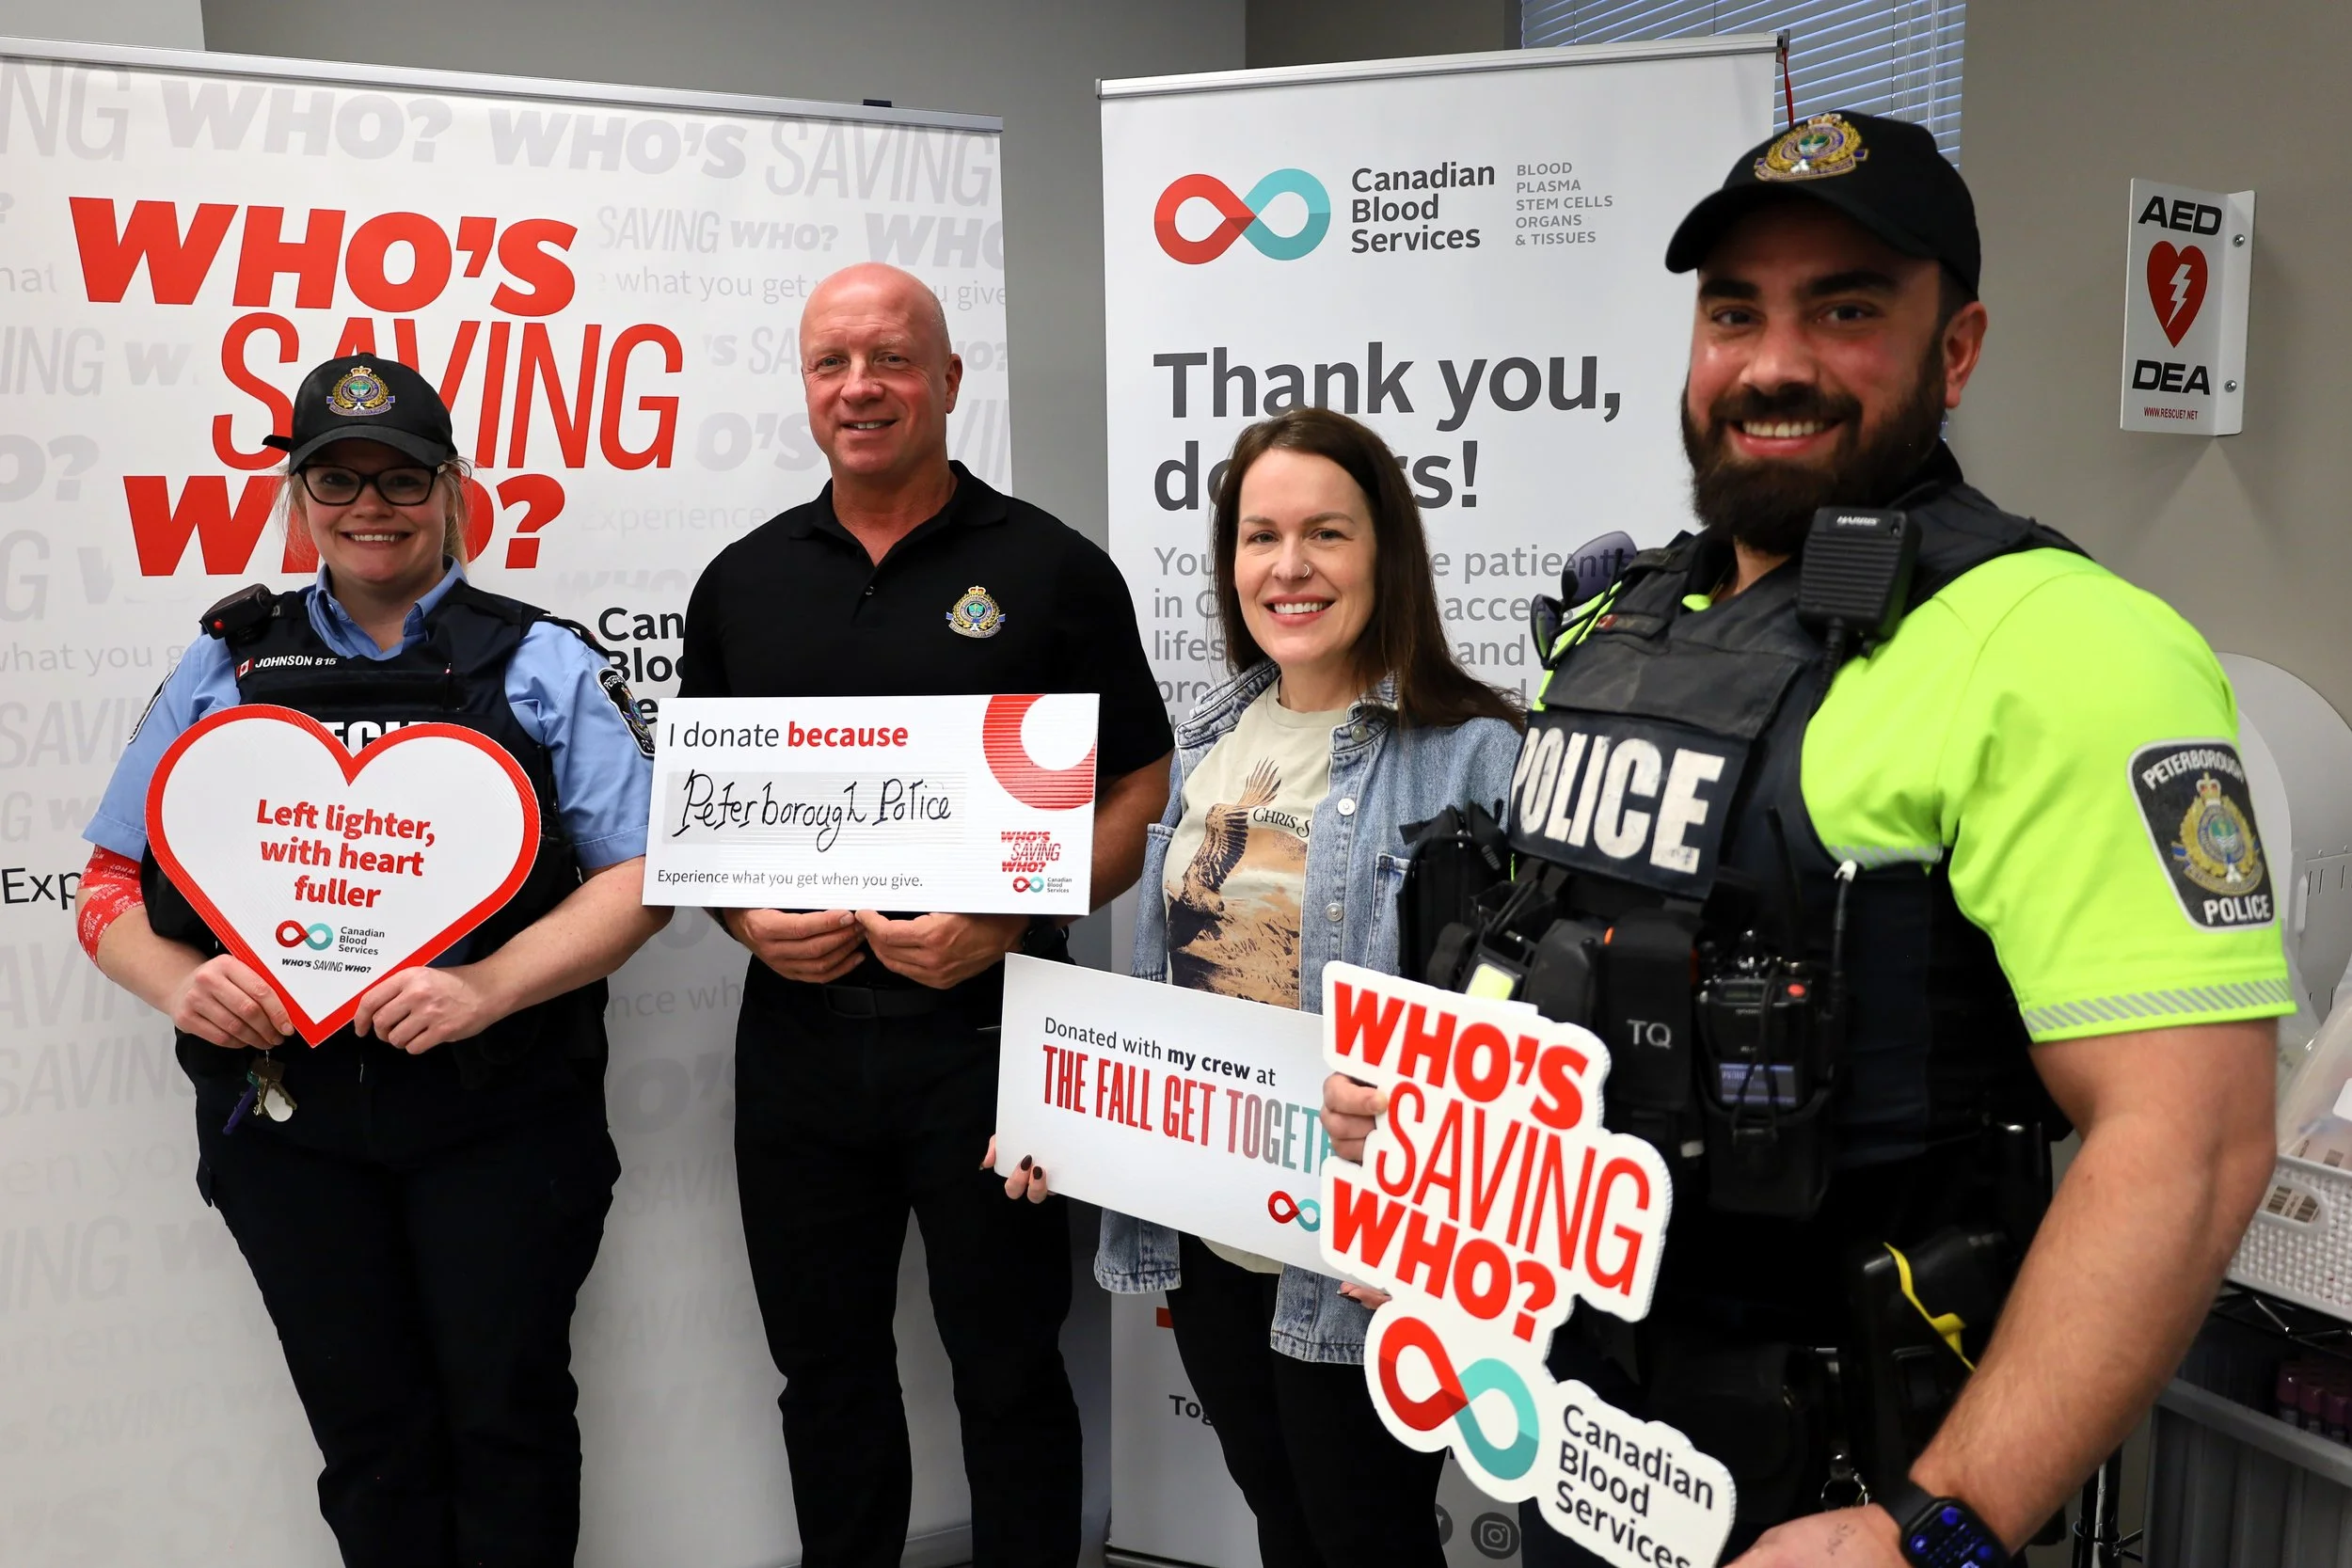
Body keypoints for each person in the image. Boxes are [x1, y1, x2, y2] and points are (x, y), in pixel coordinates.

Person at [1324, 112, 2287, 1568]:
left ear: (1954, 350)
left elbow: (2194, 1141)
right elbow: (1580, 979)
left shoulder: (2068, 645)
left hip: (1847, 1489)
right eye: (1734, 313)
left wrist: (1938, 1527)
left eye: (1845, 309)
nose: (1774, 362)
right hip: (1590, 1439)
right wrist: (1442, 1128)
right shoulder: (1620, 621)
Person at [75, 355, 667, 1568]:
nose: (369, 505)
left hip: (503, 1116)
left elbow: (644, 879)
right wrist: (179, 981)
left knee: (506, 1421)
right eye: (336, 478)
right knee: (368, 1434)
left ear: (452, 490)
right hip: (291, 1133)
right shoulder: (226, 661)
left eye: (400, 477)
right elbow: (106, 888)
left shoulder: (539, 660)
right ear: (298, 499)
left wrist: (489, 986)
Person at [675, 261, 1174, 1568]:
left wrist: (1012, 916)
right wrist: (742, 920)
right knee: (823, 1373)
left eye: (890, 358)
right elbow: (707, 815)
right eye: (831, 363)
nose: (860, 387)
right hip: (796, 1042)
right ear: (805, 387)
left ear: (948, 379)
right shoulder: (741, 583)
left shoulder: (1053, 569)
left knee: (1009, 1366)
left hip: (994, 1037)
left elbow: (1138, 781)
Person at [1009, 406, 1519, 1567]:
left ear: (1384, 552)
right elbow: (1170, 988)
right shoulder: (1212, 737)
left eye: (1325, 534)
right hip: (1212, 1235)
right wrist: (1068, 1125)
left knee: (1368, 1537)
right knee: (1282, 1521)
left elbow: (1518, 1027)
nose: (1287, 568)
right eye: (1259, 536)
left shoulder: (1476, 751)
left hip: (1361, 1248)